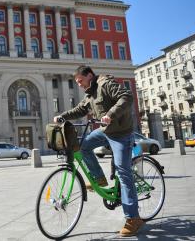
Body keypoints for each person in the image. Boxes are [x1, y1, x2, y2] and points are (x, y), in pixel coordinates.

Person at [54, 65, 144, 237]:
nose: (79, 84)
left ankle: (134, 218)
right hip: (105, 131)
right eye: (77, 82)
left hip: (121, 134)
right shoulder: (90, 92)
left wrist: (110, 114)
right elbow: (80, 109)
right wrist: (63, 116)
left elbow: (127, 96)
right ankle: (99, 178)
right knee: (84, 146)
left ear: (89, 75)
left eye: (80, 81)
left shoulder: (105, 84)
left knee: (123, 172)